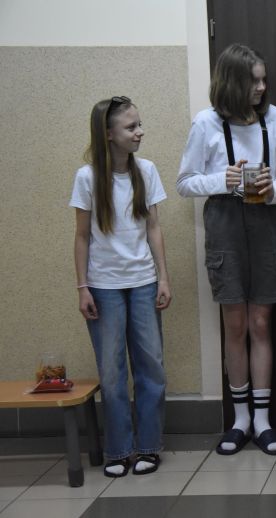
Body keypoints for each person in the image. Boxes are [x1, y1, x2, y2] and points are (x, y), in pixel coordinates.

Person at [177, 43, 276, 456]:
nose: (262, 88)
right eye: (254, 81)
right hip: (225, 226)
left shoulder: (275, 119)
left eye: (264, 80)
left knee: (261, 323)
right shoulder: (206, 123)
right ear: (232, 82)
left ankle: (263, 421)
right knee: (235, 325)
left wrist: (274, 189)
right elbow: (184, 183)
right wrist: (221, 180)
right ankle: (240, 420)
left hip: (266, 224)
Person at [71, 96, 171, 478]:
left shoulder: (147, 171)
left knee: (151, 367)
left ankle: (148, 447)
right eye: (131, 127)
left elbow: (154, 228)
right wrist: (82, 287)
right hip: (104, 287)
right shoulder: (87, 178)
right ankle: (118, 450)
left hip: (144, 282)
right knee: (112, 373)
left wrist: (163, 277)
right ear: (108, 134)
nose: (140, 132)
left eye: (139, 124)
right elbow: (82, 236)